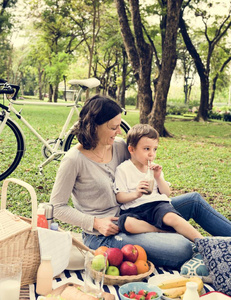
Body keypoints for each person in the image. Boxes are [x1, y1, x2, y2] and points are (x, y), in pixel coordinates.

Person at [50, 94, 231, 269]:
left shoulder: (120, 146)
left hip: (138, 211)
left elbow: (143, 164)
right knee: (181, 249)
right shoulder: (73, 160)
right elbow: (56, 207)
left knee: (193, 201)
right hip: (106, 233)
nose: (119, 131)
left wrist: (154, 177)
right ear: (94, 126)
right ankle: (164, 233)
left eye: (119, 126)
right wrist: (96, 223)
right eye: (113, 128)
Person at [114, 124, 204, 242]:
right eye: (147, 149)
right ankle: (161, 231)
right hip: (133, 209)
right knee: (126, 223)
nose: (152, 154)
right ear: (131, 149)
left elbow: (166, 193)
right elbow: (119, 197)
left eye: (154, 149)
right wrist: (135, 194)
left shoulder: (154, 169)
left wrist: (158, 178)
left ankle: (203, 242)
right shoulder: (123, 169)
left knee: (172, 217)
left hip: (156, 205)